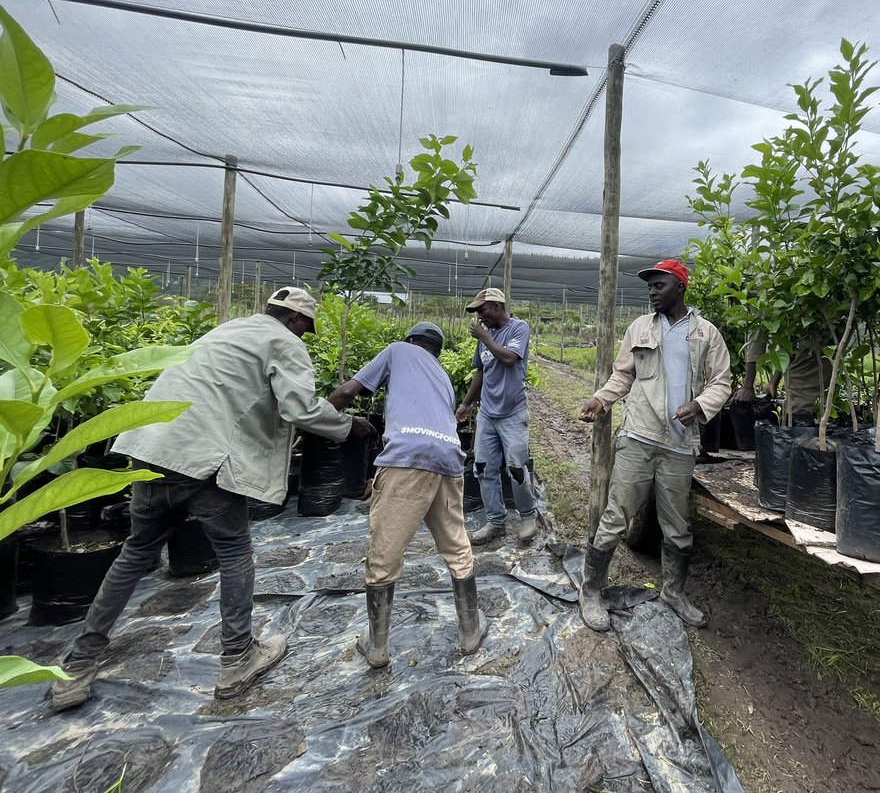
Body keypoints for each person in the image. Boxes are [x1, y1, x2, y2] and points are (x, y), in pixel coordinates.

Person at [49, 287, 374, 712]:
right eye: (306, 328)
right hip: (205, 461)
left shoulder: (225, 332)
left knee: (134, 553)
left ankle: (77, 665)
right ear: (295, 320)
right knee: (235, 553)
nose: (305, 336)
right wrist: (351, 427)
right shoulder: (284, 341)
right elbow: (299, 409)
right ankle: (238, 658)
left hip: (154, 448)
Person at [579, 258, 731, 631]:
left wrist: (700, 405)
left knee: (677, 525)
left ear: (679, 287)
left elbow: (722, 381)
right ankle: (592, 590)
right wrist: (602, 399)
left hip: (680, 446)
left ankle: (674, 592)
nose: (651, 292)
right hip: (640, 436)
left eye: (658, 285)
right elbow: (623, 374)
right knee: (617, 516)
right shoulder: (640, 328)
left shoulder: (705, 334)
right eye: (649, 286)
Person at [328, 321, 487, 668]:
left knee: (384, 555)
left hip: (407, 460)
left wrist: (320, 416)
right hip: (449, 458)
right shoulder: (442, 377)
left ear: (411, 341)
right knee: (456, 545)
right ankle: (470, 632)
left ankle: (377, 647)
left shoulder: (397, 351)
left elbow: (348, 392)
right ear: (438, 351)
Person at [455, 287, 538, 546]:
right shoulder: (485, 335)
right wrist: (466, 404)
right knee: (483, 468)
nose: (480, 317)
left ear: (498, 307)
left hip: (512, 412)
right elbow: (480, 371)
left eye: (483, 310)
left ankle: (527, 516)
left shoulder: (518, 328)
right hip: (488, 414)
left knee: (516, 468)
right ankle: (495, 521)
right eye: (477, 312)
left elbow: (510, 358)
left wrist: (484, 336)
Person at [733, 333, 830, 423]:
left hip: (823, 329)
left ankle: (802, 438)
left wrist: (747, 385)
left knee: (798, 400)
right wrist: (773, 382)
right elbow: (790, 342)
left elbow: (758, 331)